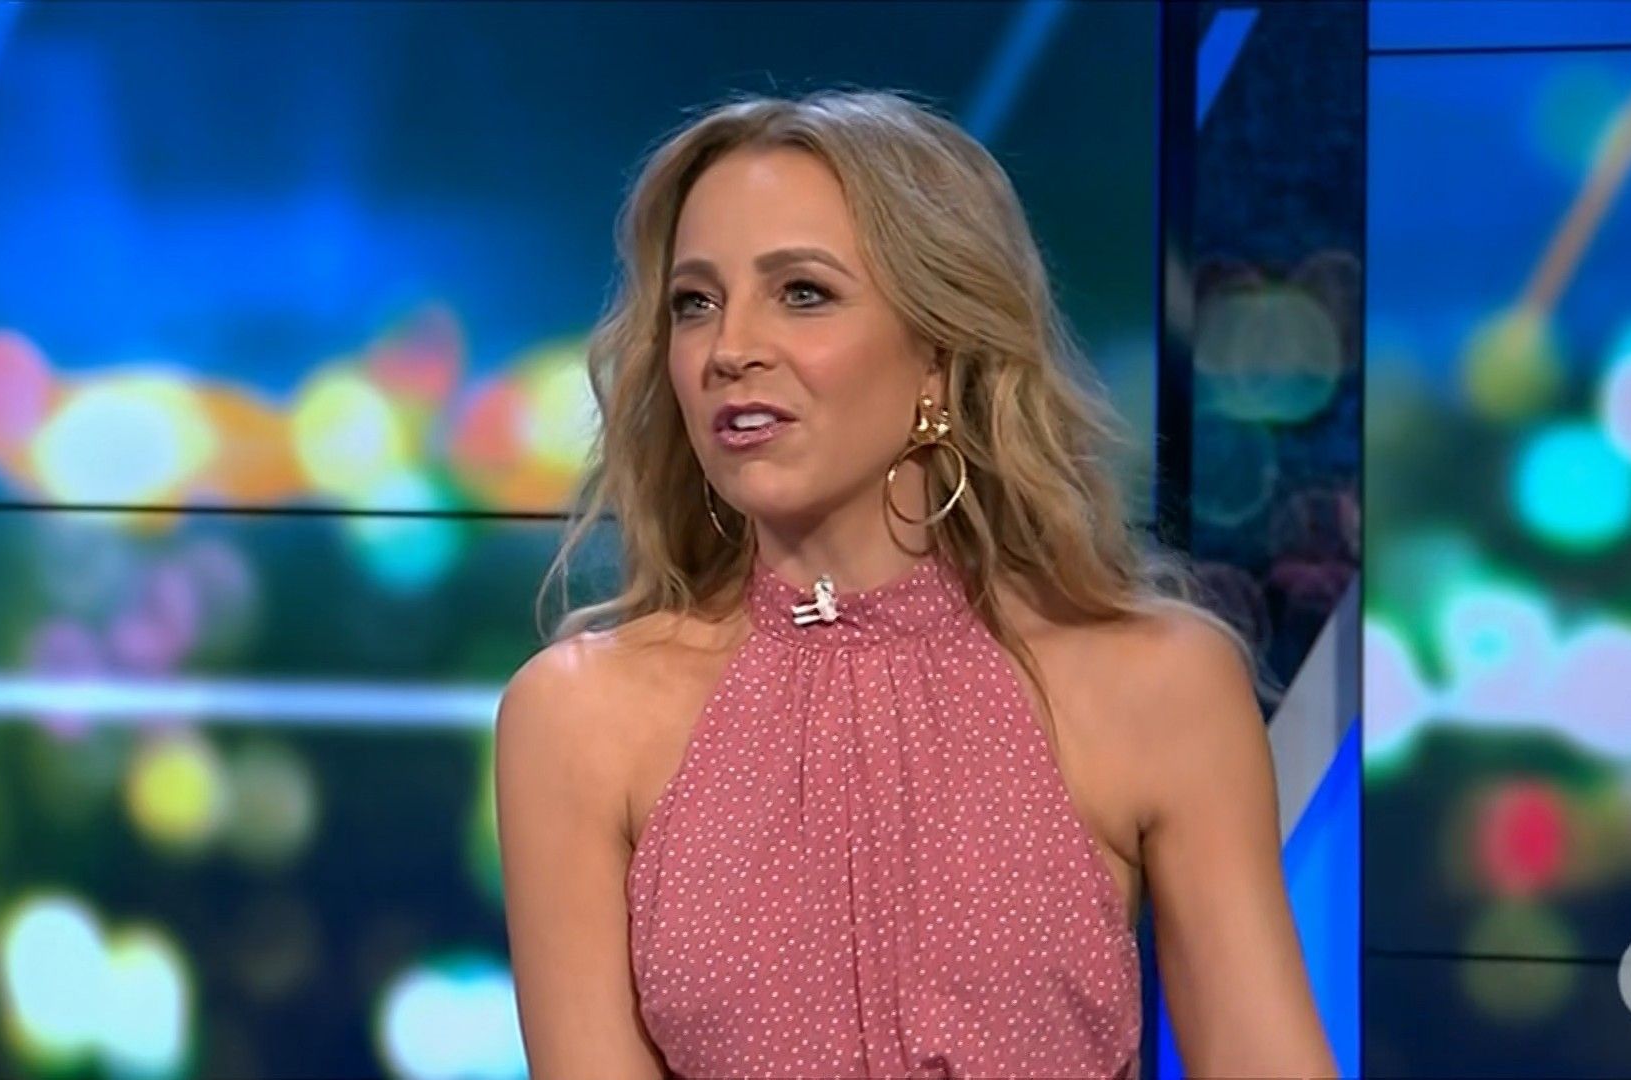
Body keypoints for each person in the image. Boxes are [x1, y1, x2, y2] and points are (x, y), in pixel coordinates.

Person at [494, 87, 1338, 1080]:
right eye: (696, 303)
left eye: (802, 292)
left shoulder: (1160, 685)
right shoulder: (580, 718)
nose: (730, 350)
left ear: (940, 352)